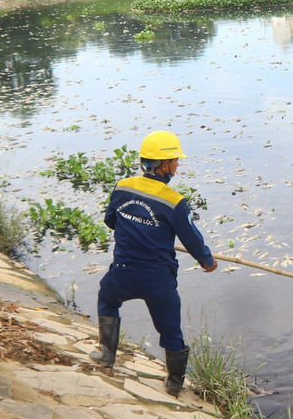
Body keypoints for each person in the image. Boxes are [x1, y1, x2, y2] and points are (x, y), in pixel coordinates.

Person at [92, 130, 217, 397]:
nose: (178, 166)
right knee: (170, 328)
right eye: (176, 161)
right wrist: (207, 260)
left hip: (122, 273)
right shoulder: (174, 202)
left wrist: (137, 230)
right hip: (158, 280)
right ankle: (174, 382)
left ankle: (106, 354)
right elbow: (192, 241)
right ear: (164, 166)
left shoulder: (123, 187)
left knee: (107, 297)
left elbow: (111, 221)